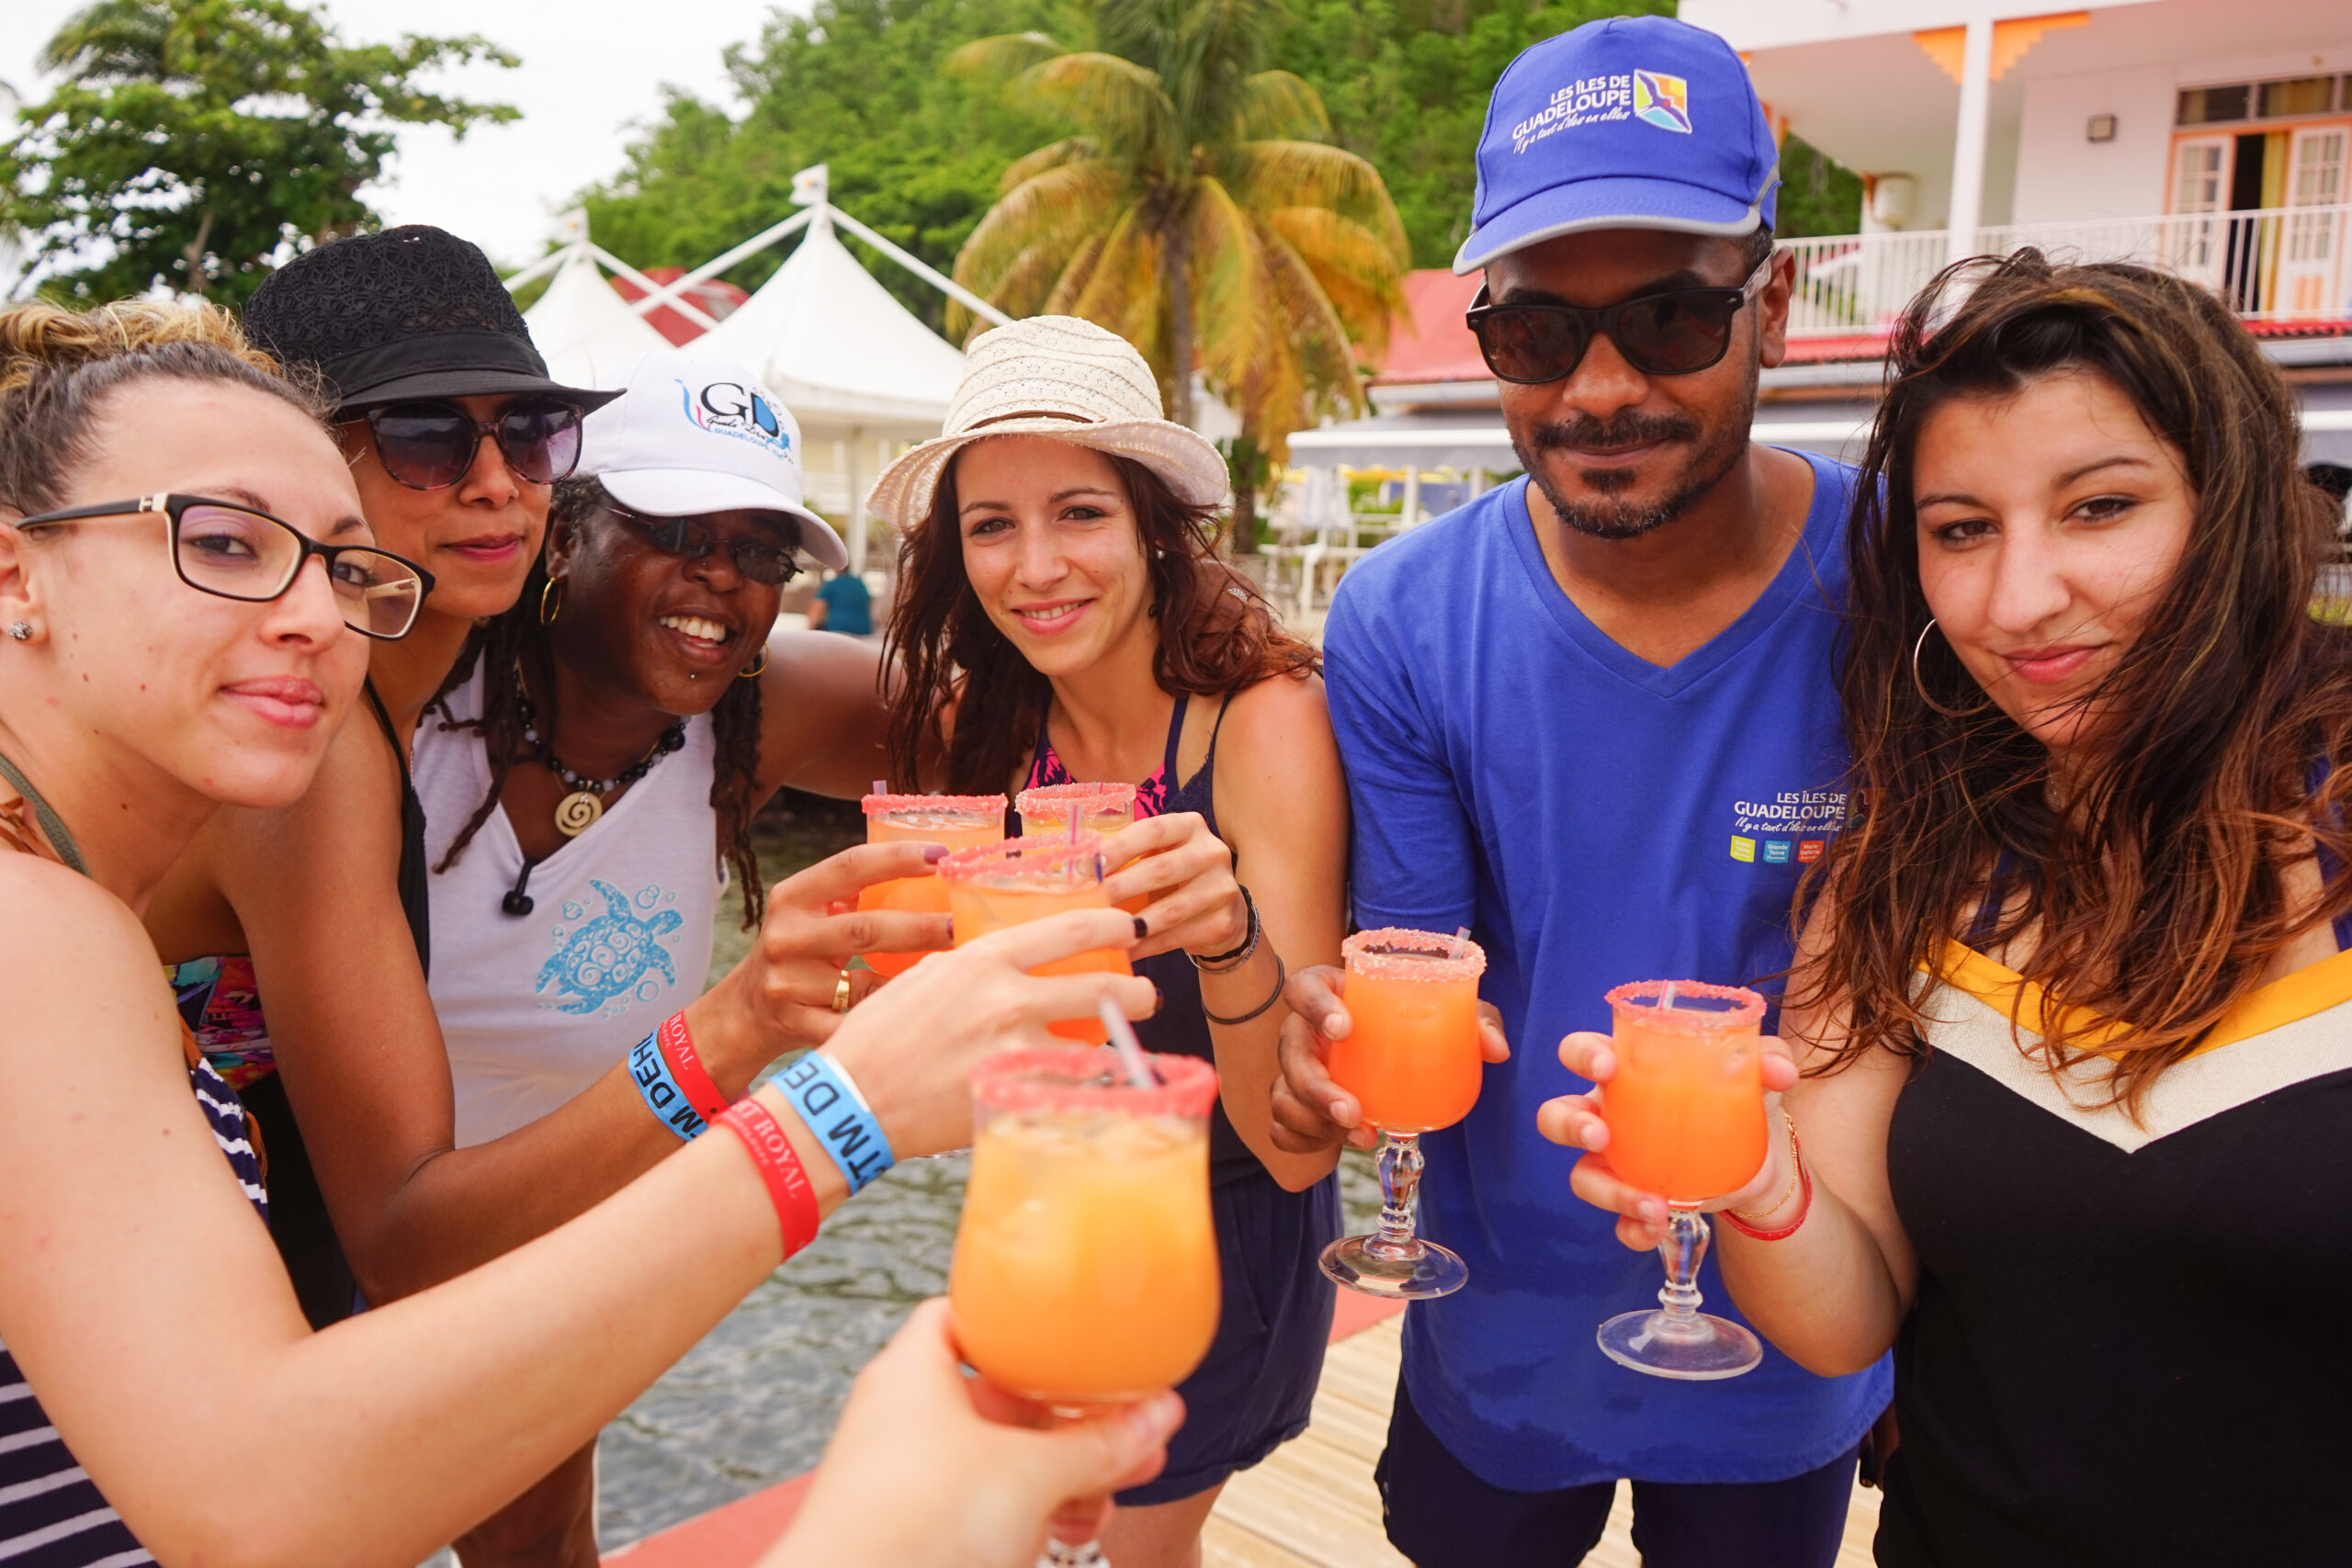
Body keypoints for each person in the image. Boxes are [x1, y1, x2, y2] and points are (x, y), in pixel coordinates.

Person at [0, 299, 1166, 1566]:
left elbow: (1054, 702)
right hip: (372, 1290)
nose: (313, 615)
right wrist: (833, 1101)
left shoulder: (79, 913)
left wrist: (1215, 789)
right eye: (224, 544)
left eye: (341, 567)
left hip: (490, 1279)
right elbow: (261, 1488)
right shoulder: (58, 922)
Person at [141, 231, 933, 1565]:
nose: (495, 480)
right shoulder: (318, 739)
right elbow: (399, 1229)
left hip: (360, 1305)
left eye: (530, 434)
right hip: (188, 1364)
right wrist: (743, 1035)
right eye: (426, 439)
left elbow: (1034, 711)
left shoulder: (688, 714)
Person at [1548, 254, 2352, 1568]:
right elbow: (1845, 1316)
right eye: (1962, 527)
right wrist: (1758, 1178)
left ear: (2237, 508)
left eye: (2100, 507)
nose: (2017, 599)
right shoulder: (1914, 864)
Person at [1265, 17, 1887, 1568]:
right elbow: (1423, 965)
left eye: (1673, 318)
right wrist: (1318, 1035)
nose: (1601, 388)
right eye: (1540, 336)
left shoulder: (1914, 576)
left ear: (1776, 303)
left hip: (1790, 1310)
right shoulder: (1406, 616)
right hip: (1500, 1323)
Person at [872, 313, 1350, 1568]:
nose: (1035, 566)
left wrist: (1229, 932)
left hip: (1215, 1233)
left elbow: (1298, 1147)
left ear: (1150, 519)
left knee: (1116, 1547)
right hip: (1039, 1208)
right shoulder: (984, 732)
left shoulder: (1260, 725)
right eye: (991, 524)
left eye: (1077, 511)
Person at [411, 347, 894, 1551]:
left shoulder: (750, 716)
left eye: (761, 552)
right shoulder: (406, 704)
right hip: (313, 1242)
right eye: (680, 529)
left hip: (539, 1271)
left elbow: (1034, 709)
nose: (723, 581)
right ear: (563, 533)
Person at [808, 566, 872, 634]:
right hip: (863, 631)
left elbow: (817, 608)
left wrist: (810, 630)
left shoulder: (832, 584)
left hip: (839, 629)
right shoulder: (860, 585)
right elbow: (869, 605)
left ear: (836, 569)